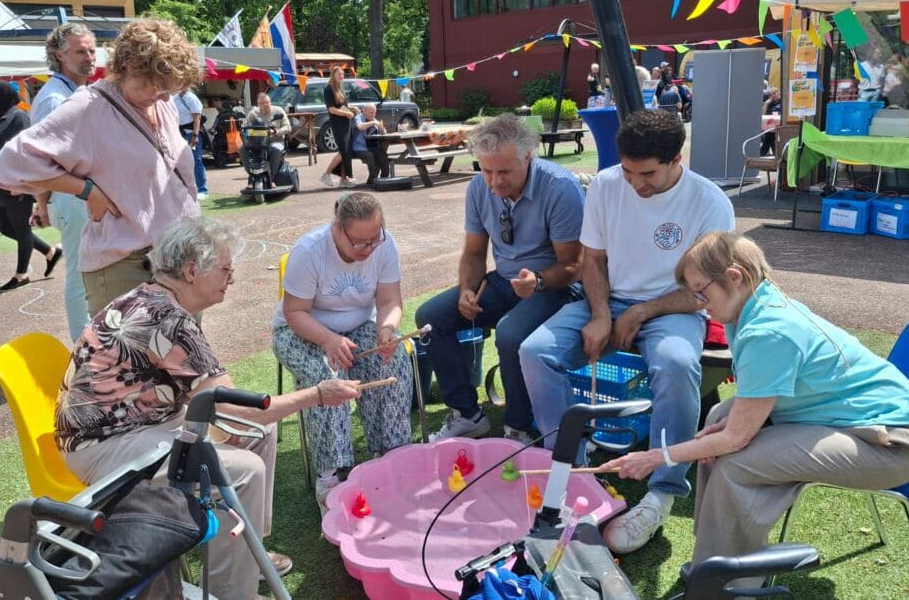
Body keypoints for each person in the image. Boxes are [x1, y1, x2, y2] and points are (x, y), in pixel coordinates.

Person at [597, 231, 909, 590]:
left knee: (736, 462)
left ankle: (726, 582)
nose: (698, 303)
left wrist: (655, 457)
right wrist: (719, 434)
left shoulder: (768, 331)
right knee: (717, 419)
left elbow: (734, 440)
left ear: (734, 276)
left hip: (897, 444)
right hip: (856, 419)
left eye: (702, 291)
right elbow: (738, 422)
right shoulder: (750, 305)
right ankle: (716, 560)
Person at [56, 215, 362, 600]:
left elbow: (226, 406)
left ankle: (246, 552)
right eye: (225, 268)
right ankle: (233, 592)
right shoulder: (171, 320)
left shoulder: (150, 298)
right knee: (245, 468)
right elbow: (234, 410)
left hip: (133, 424)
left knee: (259, 433)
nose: (230, 277)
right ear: (190, 271)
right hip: (103, 446)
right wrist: (317, 394)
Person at [519, 109, 734, 555]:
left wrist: (641, 312)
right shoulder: (605, 184)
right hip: (607, 297)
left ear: (677, 159)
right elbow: (593, 260)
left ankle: (664, 489)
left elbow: (706, 291)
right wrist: (601, 313)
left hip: (675, 306)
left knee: (676, 363)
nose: (636, 184)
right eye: (629, 171)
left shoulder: (710, 201)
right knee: (535, 351)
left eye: (648, 174)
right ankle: (571, 471)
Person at [0, 18, 202, 316]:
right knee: (135, 361)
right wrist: (87, 190)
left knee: (183, 359)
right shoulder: (88, 107)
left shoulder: (160, 103)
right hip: (132, 267)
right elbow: (11, 164)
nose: (166, 97)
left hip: (178, 259)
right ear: (128, 67)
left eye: (170, 89)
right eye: (157, 86)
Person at [416, 114, 585, 444]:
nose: (494, 182)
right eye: (487, 170)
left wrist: (538, 280)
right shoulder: (479, 188)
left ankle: (518, 428)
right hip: (506, 282)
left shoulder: (560, 188)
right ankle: (467, 415)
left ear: (528, 156)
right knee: (431, 319)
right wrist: (467, 289)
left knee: (510, 332)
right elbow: (475, 253)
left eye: (504, 171)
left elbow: (575, 265)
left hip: (556, 287)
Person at [272, 193, 413, 512]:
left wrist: (387, 329)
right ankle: (330, 476)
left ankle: (389, 455)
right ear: (338, 228)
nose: (367, 249)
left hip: (360, 323)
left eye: (373, 240)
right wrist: (327, 340)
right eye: (358, 242)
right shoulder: (310, 250)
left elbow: (390, 301)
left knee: (392, 362)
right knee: (328, 379)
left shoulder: (385, 245)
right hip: (303, 329)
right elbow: (294, 312)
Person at [29, 23, 97, 341]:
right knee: (80, 274)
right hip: (75, 197)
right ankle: (84, 350)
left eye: (91, 50)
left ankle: (96, 346)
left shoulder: (76, 92)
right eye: (80, 51)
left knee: (94, 270)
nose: (89, 57)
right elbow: (42, 161)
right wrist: (44, 203)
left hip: (82, 197)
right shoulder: (53, 100)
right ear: (60, 55)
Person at [0, 81, 62, 291]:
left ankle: (22, 274)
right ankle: (50, 252)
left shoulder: (18, 118)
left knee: (21, 228)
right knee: (5, 228)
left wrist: (24, 184)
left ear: (1, 96)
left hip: (17, 186)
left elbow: (28, 153)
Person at [319, 66, 357, 188]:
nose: (341, 76)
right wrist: (347, 113)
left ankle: (344, 179)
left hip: (346, 123)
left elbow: (342, 106)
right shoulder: (329, 89)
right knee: (343, 152)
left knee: (347, 153)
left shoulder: (341, 88)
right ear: (333, 75)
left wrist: (352, 109)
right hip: (338, 124)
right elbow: (332, 109)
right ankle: (326, 174)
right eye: (339, 74)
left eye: (342, 74)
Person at [242, 91, 289, 180]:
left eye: (267, 102)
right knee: (242, 148)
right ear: (258, 104)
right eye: (263, 103)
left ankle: (272, 178)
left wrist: (276, 131)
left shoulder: (278, 111)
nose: (266, 105)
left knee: (276, 149)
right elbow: (245, 126)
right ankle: (251, 175)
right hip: (257, 142)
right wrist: (246, 131)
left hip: (275, 140)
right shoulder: (253, 113)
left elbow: (288, 127)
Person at [173, 89, 208, 200]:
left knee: (196, 160)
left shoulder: (191, 98)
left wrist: (195, 135)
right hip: (180, 134)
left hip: (191, 134)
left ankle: (202, 189)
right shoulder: (175, 98)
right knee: (182, 162)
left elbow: (197, 118)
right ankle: (188, 188)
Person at [351, 102, 389, 184]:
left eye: (374, 113)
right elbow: (360, 127)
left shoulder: (373, 119)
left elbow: (384, 132)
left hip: (371, 147)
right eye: (371, 112)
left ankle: (384, 181)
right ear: (364, 111)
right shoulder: (359, 117)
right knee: (370, 156)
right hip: (359, 148)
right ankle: (373, 179)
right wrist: (373, 123)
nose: (373, 115)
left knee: (383, 156)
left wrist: (381, 128)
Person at [760, 88, 782, 155]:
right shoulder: (769, 103)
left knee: (769, 138)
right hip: (769, 127)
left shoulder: (782, 103)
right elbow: (763, 114)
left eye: (774, 93)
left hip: (779, 127)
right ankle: (773, 153)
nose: (772, 95)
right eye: (770, 95)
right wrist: (766, 103)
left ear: (779, 93)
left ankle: (762, 153)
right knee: (769, 136)